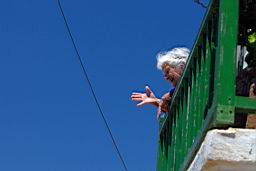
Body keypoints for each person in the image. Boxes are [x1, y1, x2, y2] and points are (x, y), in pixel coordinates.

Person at [131, 47, 190, 119]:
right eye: (164, 75)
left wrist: (168, 95)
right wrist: (156, 102)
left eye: (167, 72)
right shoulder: (181, 94)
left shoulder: (197, 77)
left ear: (181, 66)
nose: (166, 78)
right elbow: (176, 112)